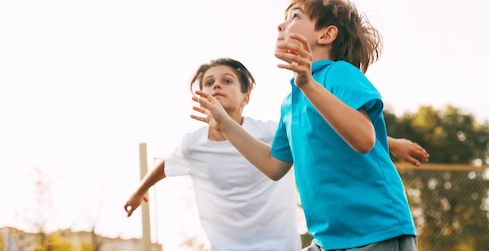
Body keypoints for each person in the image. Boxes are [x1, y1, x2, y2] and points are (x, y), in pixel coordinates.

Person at [192, 0, 422, 251]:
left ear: (325, 35)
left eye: (294, 16)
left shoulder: (339, 74)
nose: (281, 24)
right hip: (328, 240)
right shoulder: (291, 102)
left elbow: (364, 139)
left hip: (376, 232)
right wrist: (225, 124)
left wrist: (308, 83)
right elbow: (273, 165)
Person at [127, 57, 427, 251]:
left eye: (227, 80)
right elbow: (166, 166)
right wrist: (139, 191)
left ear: (246, 96)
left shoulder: (271, 130)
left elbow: (319, 132)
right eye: (209, 82)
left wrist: (392, 142)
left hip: (281, 244)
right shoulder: (193, 144)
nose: (216, 84)